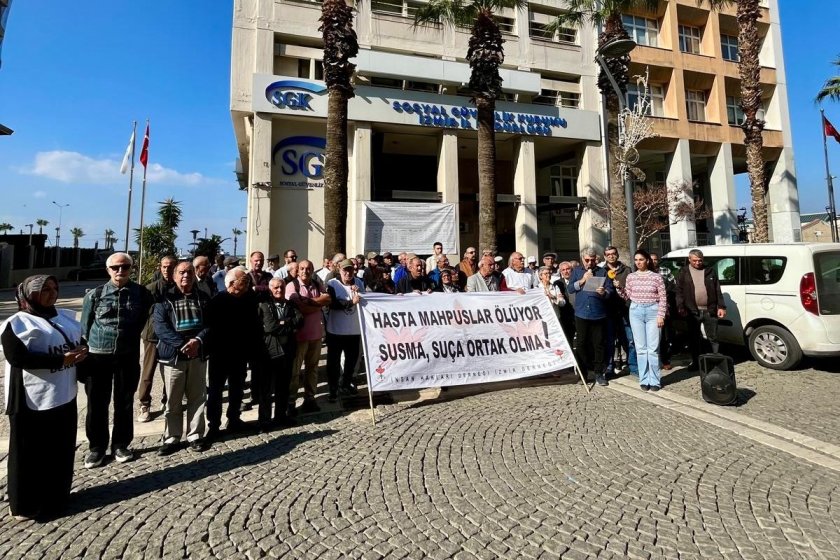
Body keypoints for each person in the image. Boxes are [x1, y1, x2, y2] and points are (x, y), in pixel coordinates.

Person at [1, 275, 87, 521]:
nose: (52, 293)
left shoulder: (65, 317)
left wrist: (83, 351)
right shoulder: (17, 323)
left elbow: (79, 343)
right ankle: (24, 504)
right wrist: (61, 360)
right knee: (28, 453)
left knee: (59, 449)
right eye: (45, 290)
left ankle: (57, 496)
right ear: (30, 294)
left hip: (63, 393)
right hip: (31, 398)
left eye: (55, 288)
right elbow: (18, 359)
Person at [80, 252, 153, 468]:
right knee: (97, 403)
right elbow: (84, 328)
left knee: (124, 401)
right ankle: (96, 447)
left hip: (126, 356)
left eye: (125, 267)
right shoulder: (95, 295)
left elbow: (145, 319)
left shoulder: (141, 294)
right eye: (115, 267)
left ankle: (121, 444)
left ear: (131, 268)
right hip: (97, 357)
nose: (120, 271)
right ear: (108, 270)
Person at [153, 261, 211, 455]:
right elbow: (160, 328)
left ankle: (195, 435)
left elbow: (210, 324)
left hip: (197, 355)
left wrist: (197, 341)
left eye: (189, 272)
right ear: (174, 275)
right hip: (173, 358)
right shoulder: (164, 299)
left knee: (197, 397)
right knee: (173, 400)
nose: (185, 276)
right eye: (181, 272)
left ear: (194, 275)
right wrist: (182, 345)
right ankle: (172, 437)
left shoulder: (202, 297)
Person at [205, 267, 264, 437]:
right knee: (216, 391)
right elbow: (210, 328)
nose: (247, 285)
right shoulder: (217, 302)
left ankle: (234, 418)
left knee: (237, 388)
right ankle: (214, 425)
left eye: (247, 282)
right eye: (244, 282)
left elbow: (254, 324)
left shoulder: (249, 299)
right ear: (231, 283)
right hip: (220, 353)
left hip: (241, 353)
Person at [257, 278, 304, 430]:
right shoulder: (264, 305)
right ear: (270, 289)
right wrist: (288, 323)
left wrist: (283, 323)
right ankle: (264, 420)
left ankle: (281, 416)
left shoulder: (290, 304)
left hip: (288, 351)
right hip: (269, 352)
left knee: (283, 387)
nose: (279, 290)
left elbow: (300, 321)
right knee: (266, 389)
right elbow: (270, 326)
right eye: (275, 288)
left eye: (281, 287)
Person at [618, 250, 667, 392]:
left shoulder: (656, 277)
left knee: (652, 349)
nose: (638, 262)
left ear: (647, 260)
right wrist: (619, 288)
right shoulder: (631, 277)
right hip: (636, 311)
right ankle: (644, 379)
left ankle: (655, 380)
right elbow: (627, 295)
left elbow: (663, 297)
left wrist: (661, 315)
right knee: (640, 348)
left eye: (641, 259)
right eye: (636, 260)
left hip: (653, 310)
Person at [286, 259, 331, 413]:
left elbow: (328, 299)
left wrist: (308, 303)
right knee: (295, 371)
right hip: (300, 336)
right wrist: (318, 303)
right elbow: (299, 308)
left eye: (308, 268)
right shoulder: (292, 286)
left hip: (316, 335)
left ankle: (310, 398)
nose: (305, 271)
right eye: (302, 268)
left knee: (312, 369)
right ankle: (291, 401)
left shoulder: (317, 284)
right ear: (297, 270)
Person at [138, 255, 176, 422]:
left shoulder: (178, 287)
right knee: (148, 372)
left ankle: (167, 399)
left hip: (172, 335)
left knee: (171, 371)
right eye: (164, 266)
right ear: (160, 268)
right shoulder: (151, 289)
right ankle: (144, 404)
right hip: (152, 336)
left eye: (170, 266)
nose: (167, 269)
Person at [567, 248, 614, 386]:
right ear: (583, 259)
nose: (589, 263)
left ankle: (599, 373)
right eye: (587, 260)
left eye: (592, 260)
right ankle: (584, 373)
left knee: (598, 344)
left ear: (596, 260)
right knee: (581, 344)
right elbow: (570, 288)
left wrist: (604, 292)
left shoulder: (602, 272)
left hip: (598, 313)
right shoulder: (577, 271)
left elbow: (610, 291)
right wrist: (582, 280)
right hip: (581, 313)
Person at [676, 249, 726, 370]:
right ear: (689, 259)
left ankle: (714, 363)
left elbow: (717, 290)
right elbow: (679, 291)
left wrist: (721, 306)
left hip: (710, 310)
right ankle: (696, 363)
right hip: (692, 311)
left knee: (712, 338)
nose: (698, 263)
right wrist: (681, 306)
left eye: (700, 260)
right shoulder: (683, 272)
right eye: (695, 261)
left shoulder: (710, 271)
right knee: (694, 338)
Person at [326, 259, 364, 401]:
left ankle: (346, 383)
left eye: (350, 270)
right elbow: (332, 303)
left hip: (354, 330)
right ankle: (333, 388)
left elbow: (366, 300)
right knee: (333, 362)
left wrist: (360, 295)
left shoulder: (359, 283)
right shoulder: (333, 284)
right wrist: (350, 302)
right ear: (339, 270)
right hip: (336, 330)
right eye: (345, 270)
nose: (348, 273)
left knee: (351, 361)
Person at [603, 246, 638, 377]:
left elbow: (632, 289)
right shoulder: (602, 271)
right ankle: (609, 368)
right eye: (608, 254)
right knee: (609, 341)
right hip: (609, 311)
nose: (611, 256)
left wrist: (621, 287)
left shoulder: (626, 270)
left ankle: (633, 367)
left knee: (630, 340)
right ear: (605, 257)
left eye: (613, 254)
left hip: (625, 310)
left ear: (617, 255)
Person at [650, 252, 676, 370]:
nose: (654, 261)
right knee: (653, 337)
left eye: (656, 259)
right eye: (651, 259)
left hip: (664, 307)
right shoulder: (646, 273)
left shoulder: (665, 271)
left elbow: (673, 286)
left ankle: (665, 360)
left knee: (665, 336)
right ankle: (654, 362)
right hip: (650, 308)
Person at [556, 261, 576, 344]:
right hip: (565, 317)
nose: (566, 271)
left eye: (568, 269)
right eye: (563, 270)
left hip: (578, 315)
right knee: (568, 340)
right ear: (561, 272)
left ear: (572, 270)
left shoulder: (578, 281)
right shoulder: (557, 283)